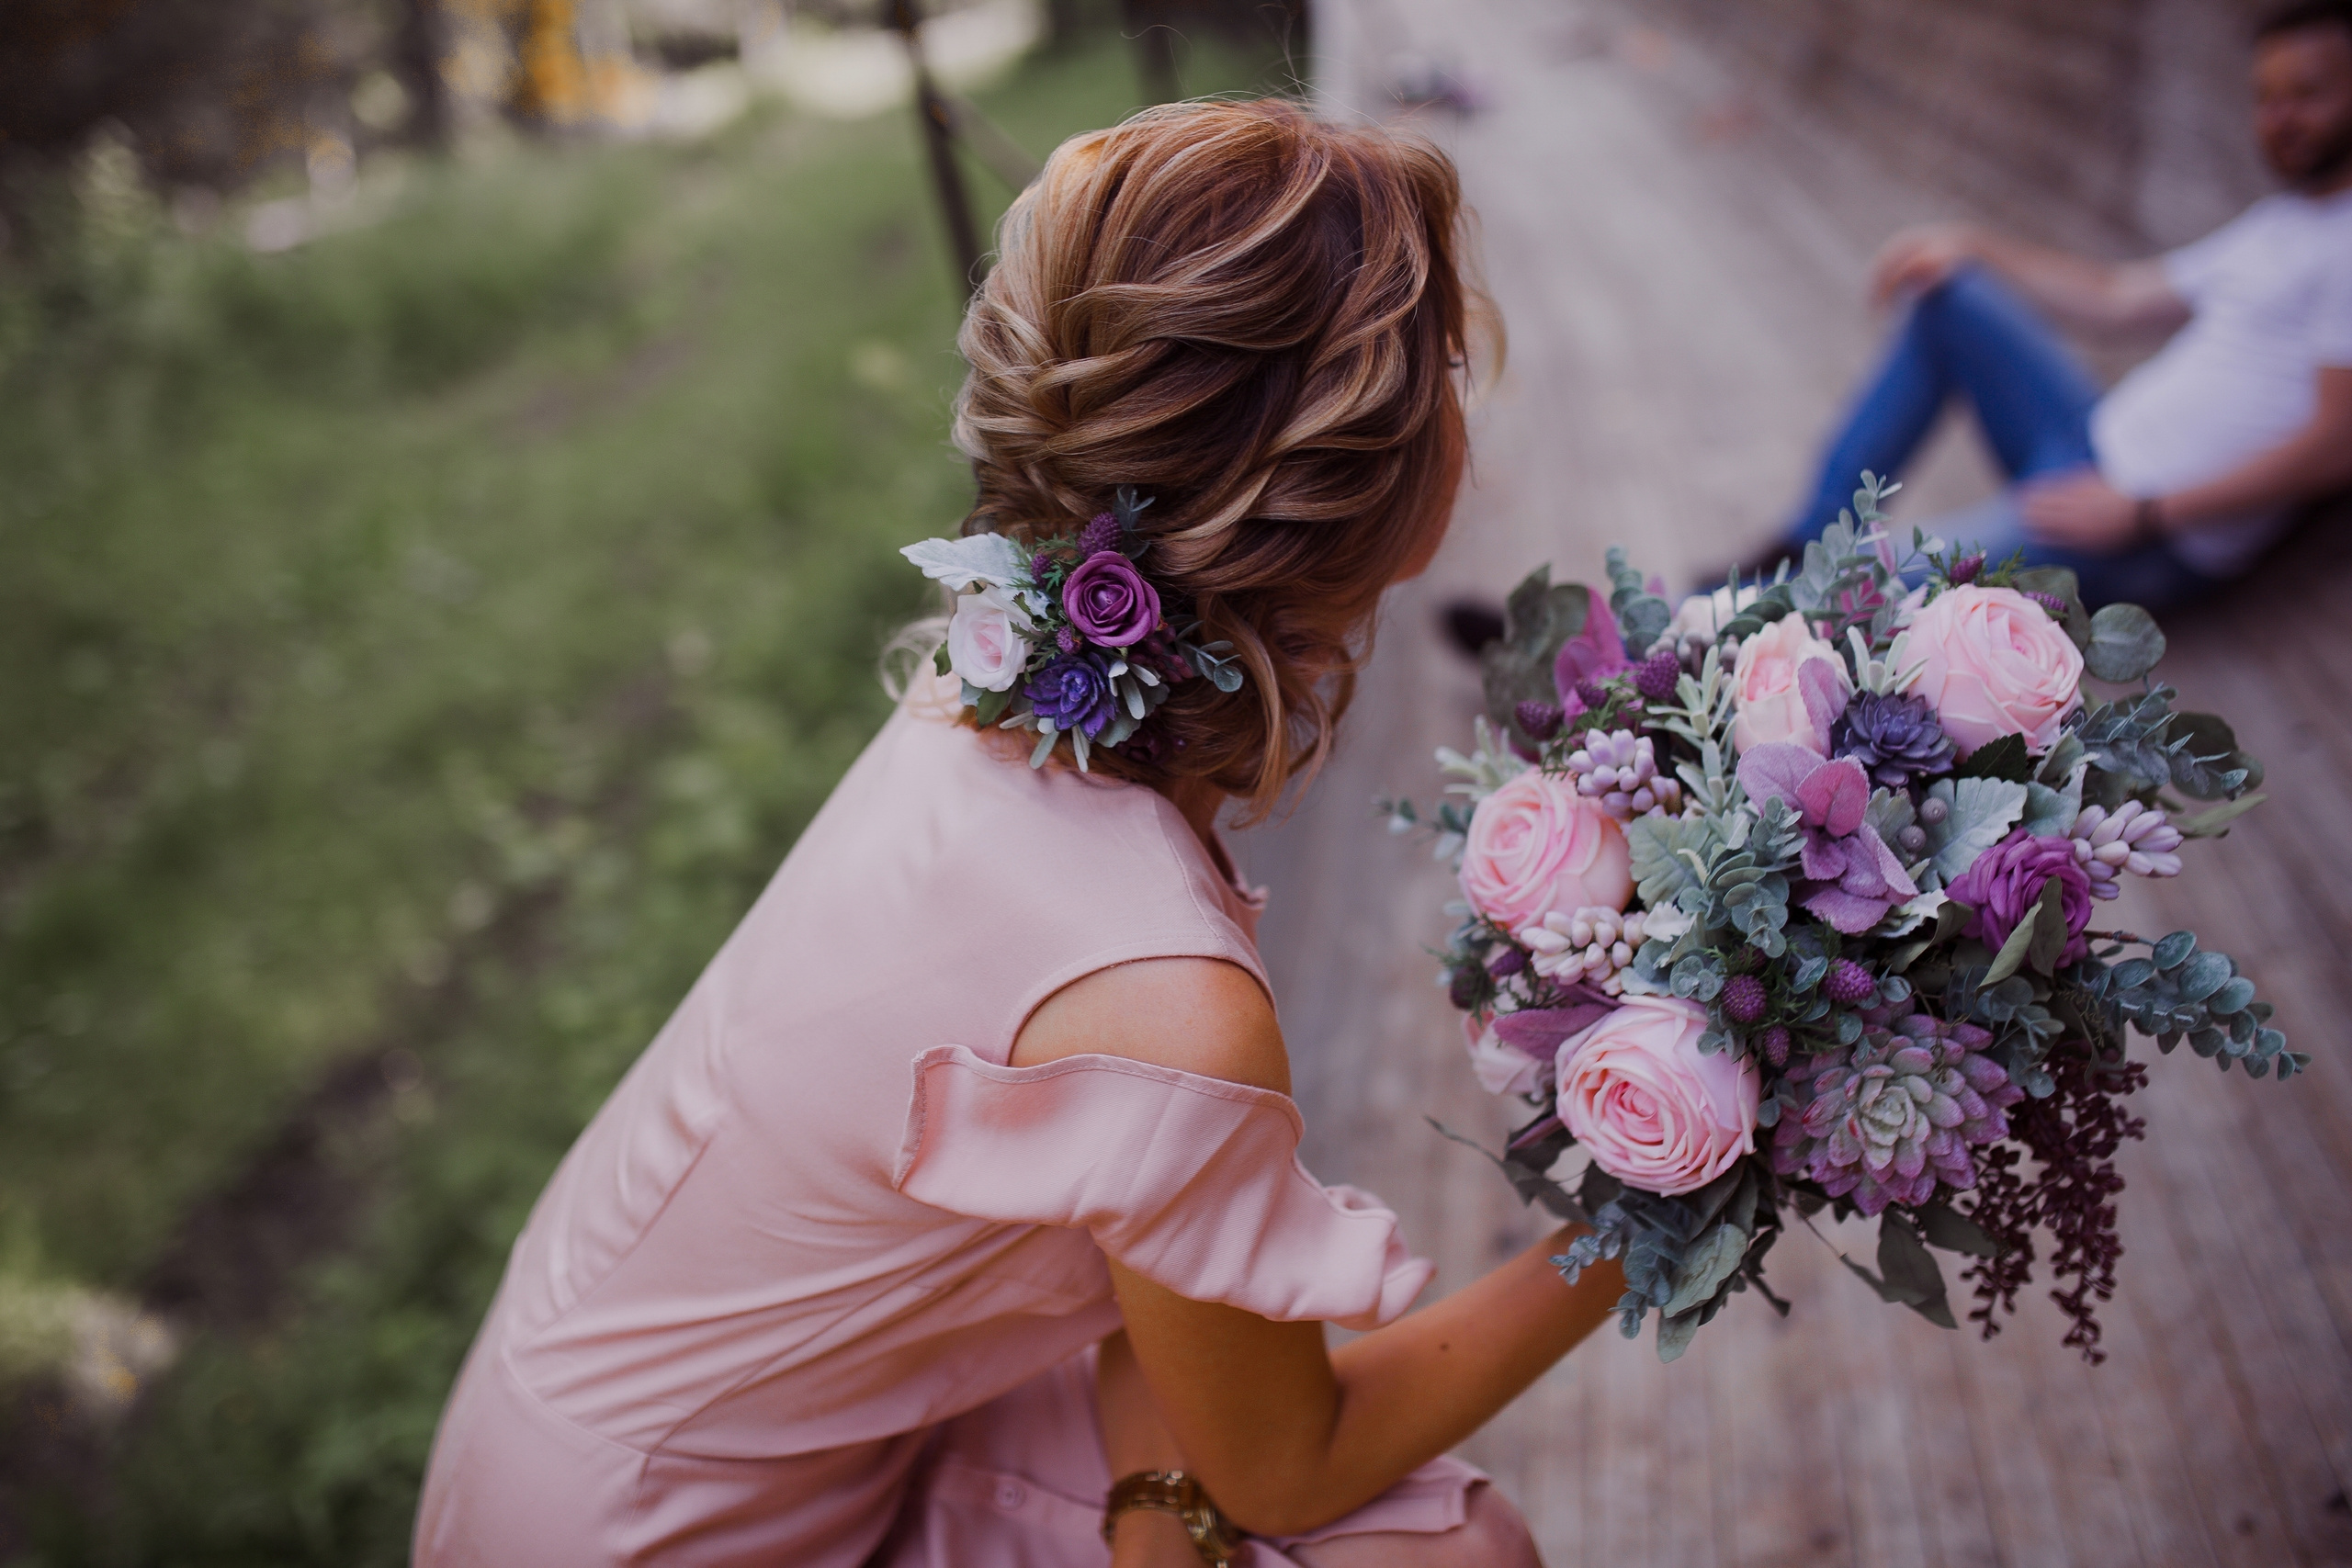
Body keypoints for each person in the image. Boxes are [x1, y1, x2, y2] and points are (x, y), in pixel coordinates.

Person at [413, 100, 1626, 1568]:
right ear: (1381, 498)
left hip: (634, 1417)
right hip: (657, 1533)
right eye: (1443, 378)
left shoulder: (995, 672)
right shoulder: (1165, 1001)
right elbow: (1288, 1468)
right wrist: (1659, 1195)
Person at [1770, 0, 2352, 609]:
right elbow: (2117, 296)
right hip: (2089, 440)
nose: (2281, 118)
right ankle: (1808, 537)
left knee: (1854, 590)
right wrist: (1972, 245)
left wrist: (2145, 512)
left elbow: (2337, 446)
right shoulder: (2284, 221)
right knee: (1951, 293)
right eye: (2267, 98)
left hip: (2140, 534)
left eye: (2307, 94)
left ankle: (1697, 630)